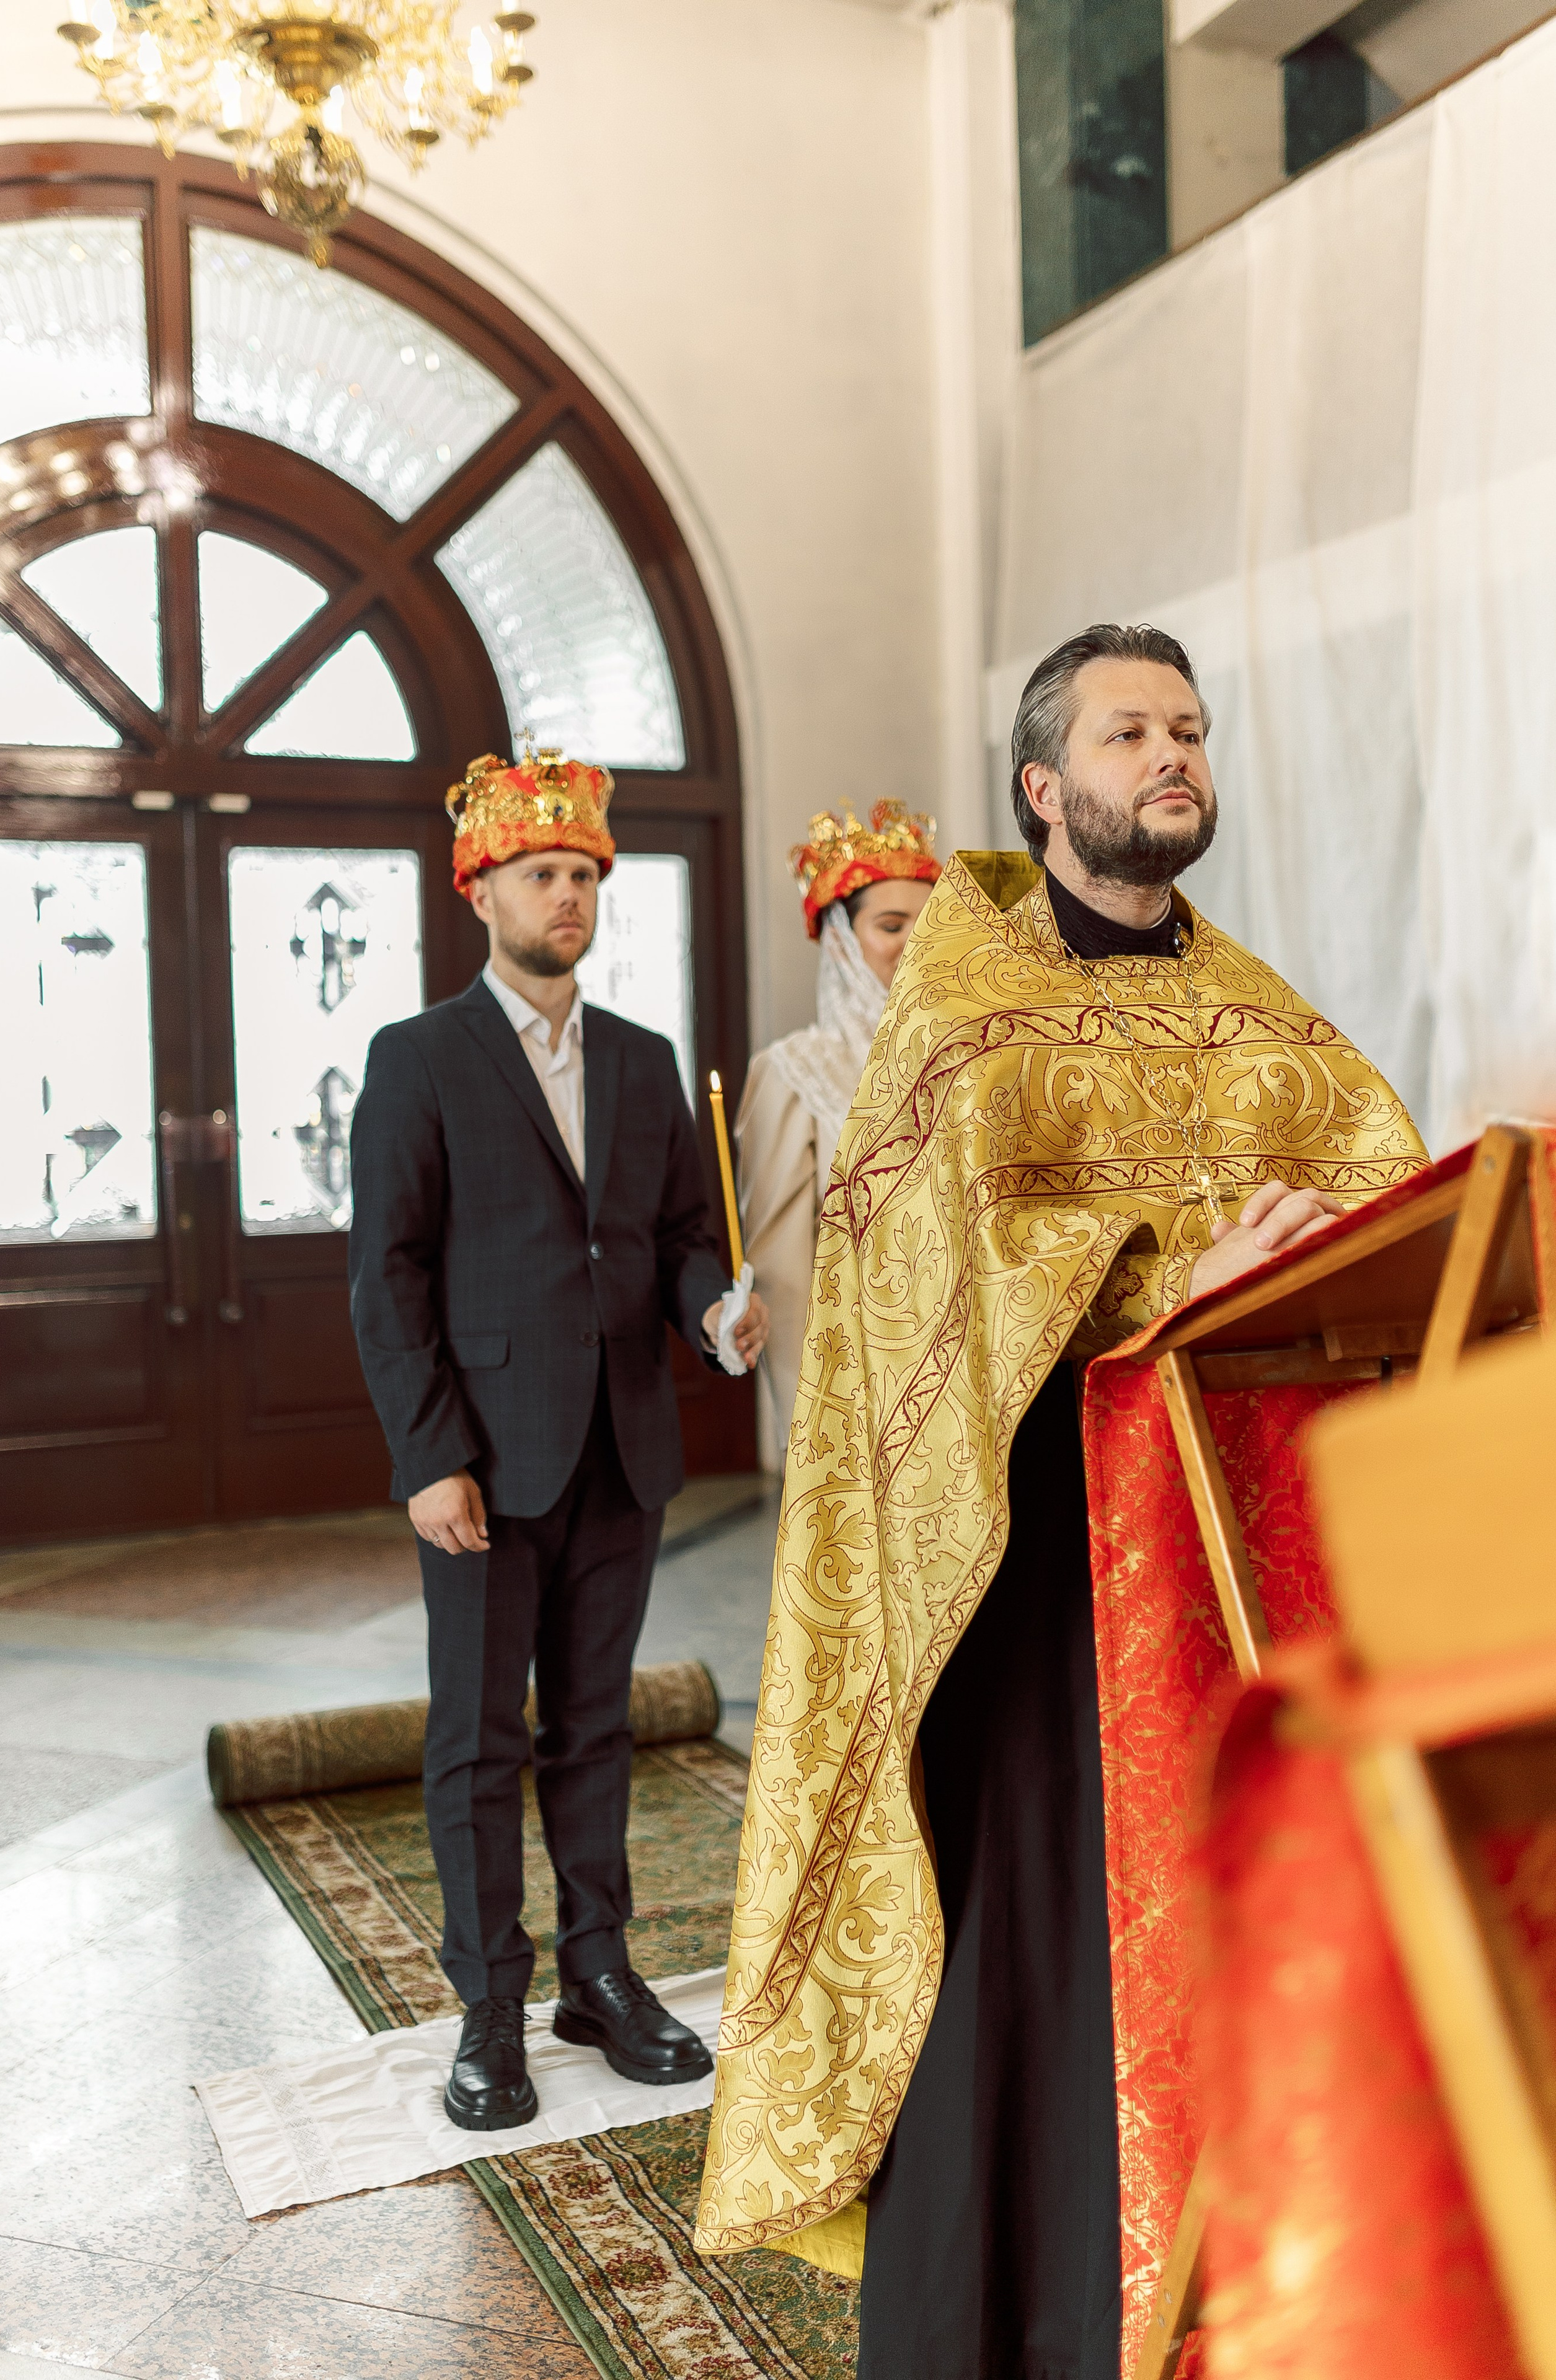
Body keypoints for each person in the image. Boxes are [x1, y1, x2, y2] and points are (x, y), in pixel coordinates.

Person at [694, 626, 1428, 2374]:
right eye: (1128, 733)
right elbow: (905, 1283)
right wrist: (1164, 1281)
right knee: (1043, 1936)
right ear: (1046, 790)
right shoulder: (961, 1012)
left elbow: (1381, 1191)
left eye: (1185, 729)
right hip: (1031, 1583)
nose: (1170, 754)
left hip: (1239, 1570)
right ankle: (1019, 2312)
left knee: (1246, 1913)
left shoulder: (1270, 1024)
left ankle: (1247, 2282)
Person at [348, 747, 767, 2131]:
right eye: (542, 874)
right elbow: (387, 1271)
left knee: (593, 1730)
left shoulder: (645, 1064)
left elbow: (678, 1243)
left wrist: (714, 1317)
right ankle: (488, 2008)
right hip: (481, 1457)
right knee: (478, 1738)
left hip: (621, 1452)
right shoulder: (418, 1060)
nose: (569, 896)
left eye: (585, 874)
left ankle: (599, 1974)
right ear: (482, 890)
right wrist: (426, 1455)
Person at [735, 802, 940, 1463]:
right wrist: (816, 1432)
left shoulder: (969, 1057)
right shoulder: (794, 1071)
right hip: (856, 1389)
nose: (916, 941)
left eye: (930, 923)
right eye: (890, 925)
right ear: (841, 940)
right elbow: (781, 1273)